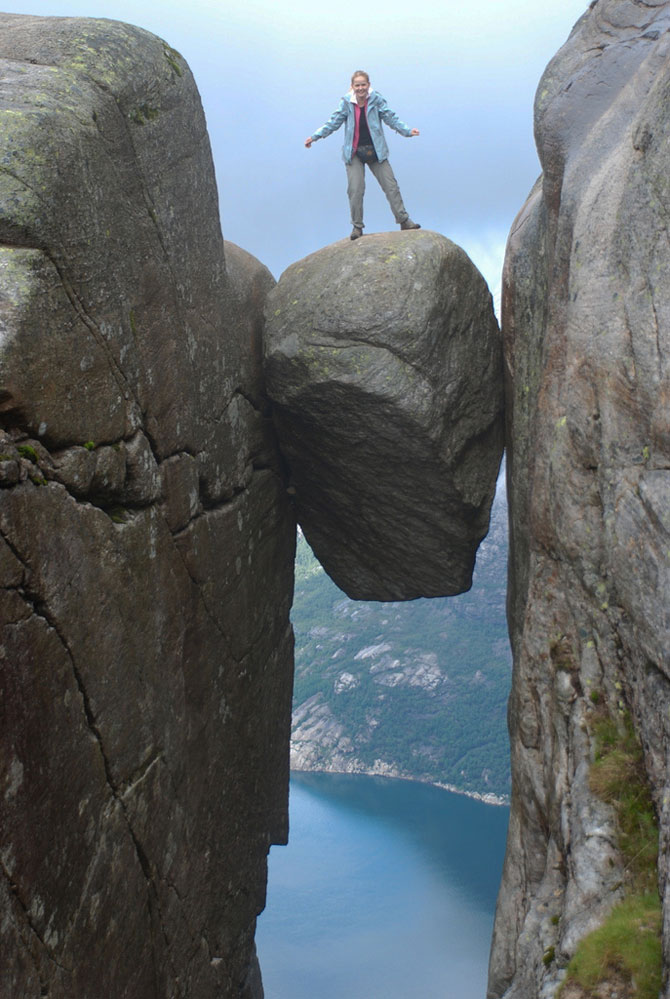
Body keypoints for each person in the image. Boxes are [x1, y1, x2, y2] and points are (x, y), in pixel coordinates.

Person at [305, 70, 421, 240]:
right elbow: (333, 122)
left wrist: (407, 131)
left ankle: (404, 221)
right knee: (355, 189)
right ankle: (357, 227)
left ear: (368, 85)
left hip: (376, 151)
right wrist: (315, 137)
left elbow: (391, 118)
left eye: (363, 85)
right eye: (357, 85)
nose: (360, 88)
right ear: (352, 87)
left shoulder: (376, 100)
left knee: (391, 186)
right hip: (354, 153)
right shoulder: (346, 103)